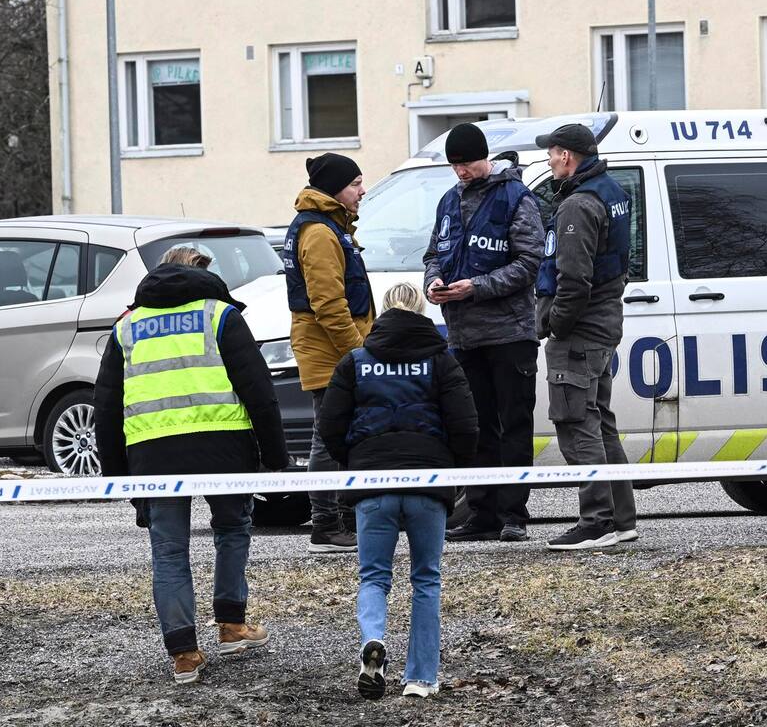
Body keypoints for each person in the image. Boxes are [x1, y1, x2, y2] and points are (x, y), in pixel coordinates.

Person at [94, 247, 290, 685]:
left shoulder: (127, 326)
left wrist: (118, 477)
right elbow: (259, 391)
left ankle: (184, 654)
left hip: (152, 453)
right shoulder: (220, 315)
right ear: (203, 275)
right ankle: (232, 624)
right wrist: (277, 460)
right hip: (223, 448)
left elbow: (105, 407)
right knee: (233, 529)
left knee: (168, 552)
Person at [315, 282, 479, 700]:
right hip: (428, 482)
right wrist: (451, 469)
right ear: (422, 312)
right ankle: (420, 678)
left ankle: (374, 642)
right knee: (426, 579)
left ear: (382, 313)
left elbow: (330, 426)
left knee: (374, 577)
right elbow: (465, 425)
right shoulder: (441, 360)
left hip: (373, 484)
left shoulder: (355, 362)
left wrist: (355, 461)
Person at [422, 122, 543, 542]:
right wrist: (434, 284)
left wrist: (477, 287)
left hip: (511, 334)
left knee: (513, 425)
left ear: (485, 158)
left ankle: (514, 515)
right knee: (475, 428)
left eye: (467, 164)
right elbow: (434, 255)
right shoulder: (448, 201)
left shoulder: (517, 198)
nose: (461, 172)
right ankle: (482, 512)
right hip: (464, 337)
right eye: (455, 165)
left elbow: (530, 263)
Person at [533, 124, 639, 551]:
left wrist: (556, 324)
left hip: (579, 330)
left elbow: (573, 279)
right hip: (602, 324)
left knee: (577, 423)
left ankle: (596, 521)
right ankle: (621, 518)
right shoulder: (611, 191)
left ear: (568, 157)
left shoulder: (577, 204)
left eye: (552, 153)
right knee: (599, 421)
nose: (548, 159)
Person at [284, 153, 375, 553]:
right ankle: (325, 524)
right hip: (331, 351)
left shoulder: (328, 226)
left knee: (343, 435)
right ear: (335, 187)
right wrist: (358, 353)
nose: (362, 190)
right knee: (327, 437)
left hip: (332, 348)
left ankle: (343, 519)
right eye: (356, 183)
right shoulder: (320, 232)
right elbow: (329, 305)